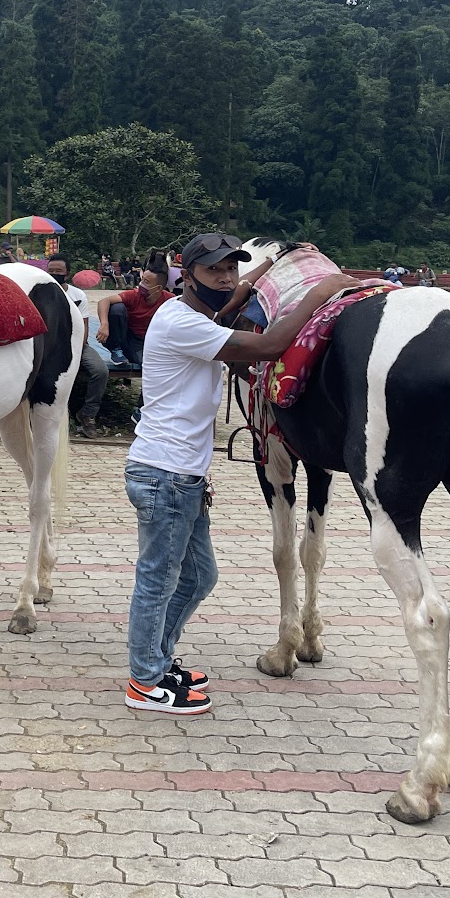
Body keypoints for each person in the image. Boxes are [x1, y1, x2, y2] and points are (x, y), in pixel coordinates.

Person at [123, 232, 358, 715]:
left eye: (231, 269)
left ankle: (159, 657)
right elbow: (270, 345)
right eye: (214, 270)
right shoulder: (181, 323)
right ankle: (144, 681)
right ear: (185, 276)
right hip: (165, 475)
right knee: (157, 580)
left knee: (200, 576)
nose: (225, 278)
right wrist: (319, 292)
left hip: (182, 475)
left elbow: (226, 306)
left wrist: (254, 281)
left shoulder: (190, 314)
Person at [47, 255, 106, 439]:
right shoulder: (42, 293)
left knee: (100, 370)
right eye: (51, 271)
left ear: (67, 274)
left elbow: (84, 328)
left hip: (75, 345)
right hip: (48, 345)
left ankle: (88, 414)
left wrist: (74, 352)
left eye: (58, 272)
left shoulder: (77, 295)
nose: (54, 274)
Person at [95, 256, 172, 367]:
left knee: (152, 364)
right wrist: (104, 324)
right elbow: (104, 301)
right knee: (117, 308)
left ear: (158, 288)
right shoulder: (134, 295)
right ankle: (116, 349)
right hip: (129, 338)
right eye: (142, 280)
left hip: (152, 340)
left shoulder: (170, 300)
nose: (142, 285)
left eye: (146, 282)